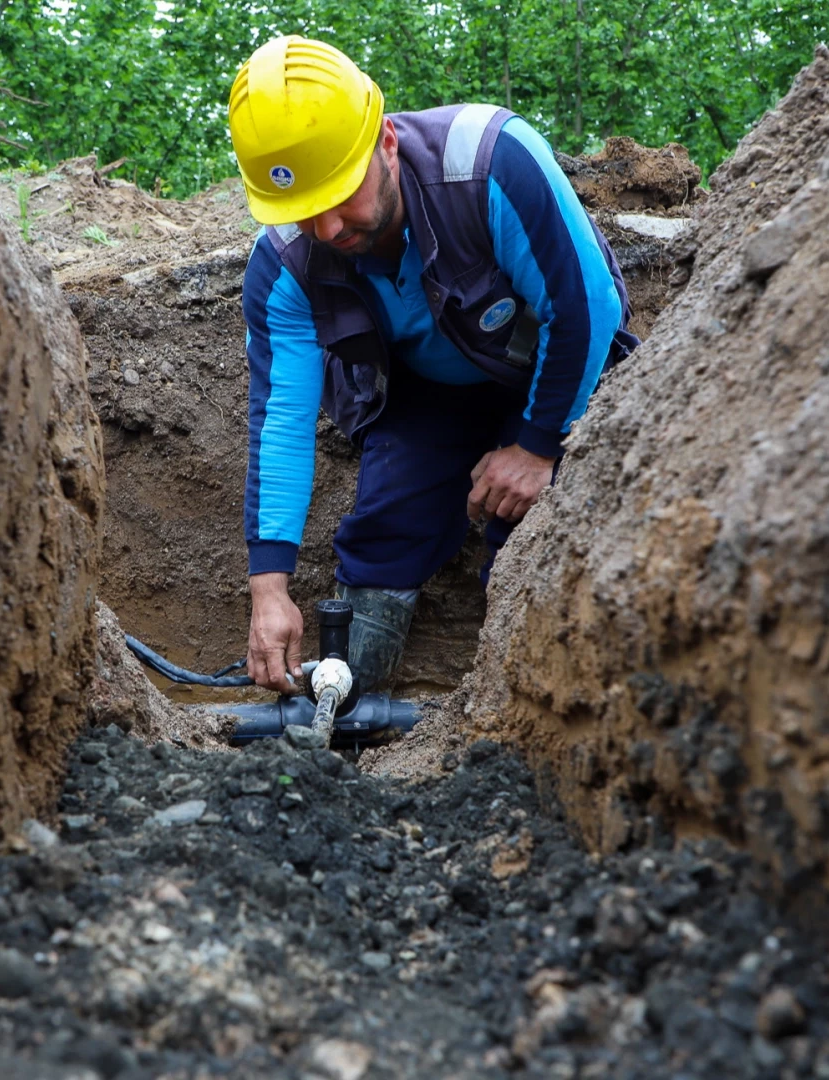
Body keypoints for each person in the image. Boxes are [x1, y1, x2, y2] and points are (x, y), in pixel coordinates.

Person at [230, 35, 638, 696]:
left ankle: (517, 695)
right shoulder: (283, 264)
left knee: (528, 531)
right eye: (304, 211)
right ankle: (349, 695)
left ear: (386, 142)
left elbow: (585, 307)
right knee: (385, 527)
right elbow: (281, 420)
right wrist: (268, 590)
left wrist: (537, 447)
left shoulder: (488, 160)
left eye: (341, 194)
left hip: (563, 367)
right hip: (431, 393)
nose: (327, 229)